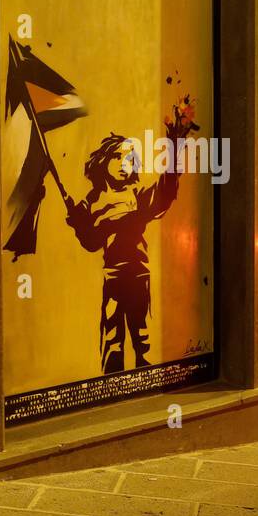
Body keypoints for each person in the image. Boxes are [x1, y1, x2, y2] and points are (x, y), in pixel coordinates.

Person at [65, 103, 197, 374]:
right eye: (119, 158)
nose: (125, 165)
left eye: (130, 160)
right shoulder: (93, 201)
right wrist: (78, 220)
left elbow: (164, 192)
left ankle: (144, 376)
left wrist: (175, 147)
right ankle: (112, 380)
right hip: (112, 275)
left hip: (138, 273)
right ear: (104, 161)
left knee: (142, 332)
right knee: (112, 335)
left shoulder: (136, 195)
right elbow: (91, 242)